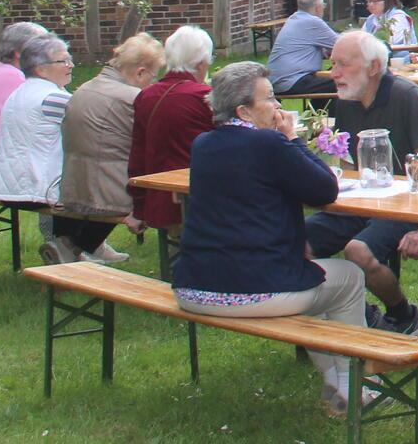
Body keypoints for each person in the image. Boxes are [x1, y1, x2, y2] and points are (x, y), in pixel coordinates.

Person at [172, 61, 370, 417]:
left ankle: (335, 383)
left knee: (319, 278)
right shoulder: (268, 142)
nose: (278, 107)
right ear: (243, 110)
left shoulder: (203, 144)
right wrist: (292, 138)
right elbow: (325, 189)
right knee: (349, 277)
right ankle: (354, 386)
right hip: (251, 290)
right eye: (270, 99)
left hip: (194, 287)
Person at [308, 31, 418, 336]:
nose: (334, 73)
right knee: (295, 241)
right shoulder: (347, 98)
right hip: (361, 201)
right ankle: (356, 317)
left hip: (404, 203)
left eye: (343, 64)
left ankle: (403, 314)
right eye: (332, 64)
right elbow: (347, 163)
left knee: (358, 251)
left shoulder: (405, 95)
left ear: (373, 67)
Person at [50, 33, 163, 265]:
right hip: (108, 190)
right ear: (140, 72)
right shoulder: (133, 97)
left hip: (72, 182)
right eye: (154, 75)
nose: (154, 81)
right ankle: (71, 248)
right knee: (161, 189)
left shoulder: (86, 87)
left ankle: (68, 245)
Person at [0, 33, 75, 241]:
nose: (70, 65)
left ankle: (74, 245)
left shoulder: (20, 92)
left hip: (9, 186)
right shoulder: (53, 97)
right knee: (110, 183)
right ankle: (74, 245)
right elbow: (91, 131)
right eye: (63, 61)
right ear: (41, 69)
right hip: (37, 189)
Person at [128, 26, 217, 235]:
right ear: (202, 62)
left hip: (158, 197)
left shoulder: (146, 95)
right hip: (201, 199)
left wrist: (139, 206)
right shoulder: (205, 96)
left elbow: (137, 155)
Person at [0, 21, 48, 167]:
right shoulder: (11, 77)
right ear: (19, 52)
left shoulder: (7, 72)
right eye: (41, 45)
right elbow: (37, 123)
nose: (49, 51)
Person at [268, 0, 340, 96]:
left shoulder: (294, 19)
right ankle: (337, 113)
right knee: (344, 80)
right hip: (292, 80)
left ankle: (320, 111)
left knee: (337, 74)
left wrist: (324, 52)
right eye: (323, 6)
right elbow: (342, 45)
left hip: (278, 80)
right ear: (318, 8)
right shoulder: (313, 21)